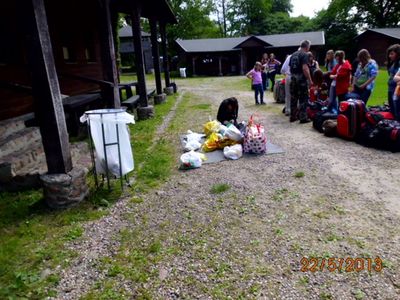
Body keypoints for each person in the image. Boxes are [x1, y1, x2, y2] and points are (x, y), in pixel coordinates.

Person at [289, 40, 314, 123]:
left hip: (292, 78)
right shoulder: (304, 54)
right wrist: (310, 80)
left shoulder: (293, 54)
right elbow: (305, 68)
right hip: (301, 78)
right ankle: (303, 117)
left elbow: (290, 68)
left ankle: (293, 116)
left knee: (293, 97)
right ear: (307, 47)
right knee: (303, 97)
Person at [387, 44, 400, 115]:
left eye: (392, 54)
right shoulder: (393, 63)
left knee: (397, 112)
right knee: (393, 112)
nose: (390, 56)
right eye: (389, 54)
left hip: (396, 91)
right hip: (391, 89)